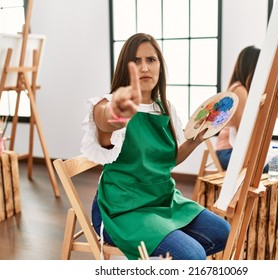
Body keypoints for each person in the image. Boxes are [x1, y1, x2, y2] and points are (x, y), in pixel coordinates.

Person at [80, 33, 230, 260]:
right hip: (122, 210)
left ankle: (163, 251)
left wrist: (194, 141)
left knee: (222, 232)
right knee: (193, 255)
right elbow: (104, 124)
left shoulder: (165, 108)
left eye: (151, 60)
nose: (144, 68)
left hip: (162, 200)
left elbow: (167, 159)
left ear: (160, 65)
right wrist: (116, 114)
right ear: (125, 67)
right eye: (136, 61)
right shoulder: (110, 103)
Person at [216, 45, 278, 179]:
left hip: (241, 148)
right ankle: (264, 198)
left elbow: (275, 113)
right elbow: (245, 128)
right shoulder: (238, 90)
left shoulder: (249, 90)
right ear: (252, 67)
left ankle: (267, 196)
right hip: (229, 151)